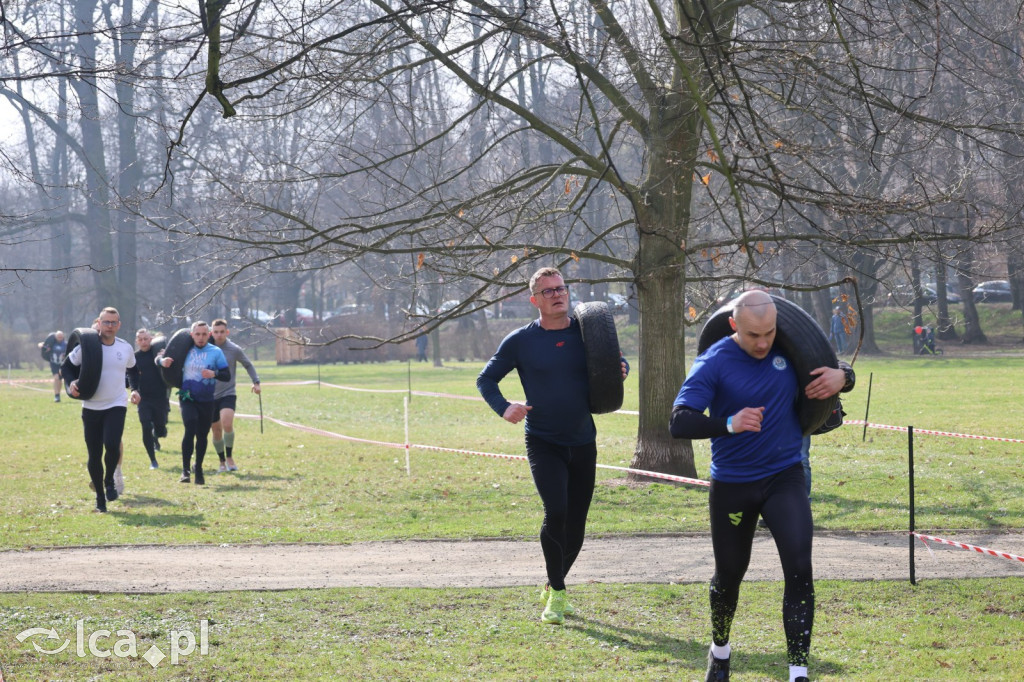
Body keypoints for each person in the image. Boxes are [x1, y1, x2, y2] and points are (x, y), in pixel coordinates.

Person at [669, 290, 852, 682]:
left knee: (800, 569)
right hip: (734, 483)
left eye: (769, 332)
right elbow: (679, 421)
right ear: (734, 325)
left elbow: (828, 370)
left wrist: (845, 376)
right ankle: (720, 651)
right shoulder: (714, 361)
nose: (764, 342)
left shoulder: (786, 347)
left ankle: (798, 671)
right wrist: (729, 423)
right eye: (754, 335)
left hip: (784, 476)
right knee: (729, 577)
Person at [477, 266, 628, 626]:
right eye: (549, 291)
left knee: (577, 523)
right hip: (543, 440)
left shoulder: (588, 333)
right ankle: (558, 593)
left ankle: (551, 583)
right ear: (535, 301)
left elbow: (613, 363)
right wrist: (505, 407)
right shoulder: (520, 340)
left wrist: (619, 367)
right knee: (556, 511)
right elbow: (486, 379)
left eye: (561, 288)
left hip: (583, 440)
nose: (558, 294)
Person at [61, 308, 140, 513]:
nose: (110, 326)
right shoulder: (88, 347)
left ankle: (109, 481)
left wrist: (135, 389)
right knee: (94, 453)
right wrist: (70, 384)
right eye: (106, 322)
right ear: (99, 323)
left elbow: (132, 370)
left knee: (112, 445)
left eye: (114, 322)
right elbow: (67, 367)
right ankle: (100, 498)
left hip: (116, 404)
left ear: (119, 325)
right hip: (91, 406)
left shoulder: (125, 347)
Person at [157, 321, 230, 485]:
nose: (201, 338)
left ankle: (199, 468)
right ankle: (185, 470)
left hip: (207, 399)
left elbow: (226, 375)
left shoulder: (216, 352)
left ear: (209, 335)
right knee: (190, 427)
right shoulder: (184, 348)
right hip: (187, 397)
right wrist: (161, 362)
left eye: (204, 334)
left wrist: (214, 373)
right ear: (192, 335)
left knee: (202, 435)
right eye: (197, 334)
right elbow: (160, 356)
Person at [209, 318, 261, 472]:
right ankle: (222, 461)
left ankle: (230, 457)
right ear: (211, 332)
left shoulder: (234, 349)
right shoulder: (206, 349)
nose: (219, 335)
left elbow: (248, 364)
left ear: (227, 332)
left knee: (227, 423)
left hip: (228, 392)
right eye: (216, 332)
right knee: (216, 430)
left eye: (222, 332)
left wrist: (256, 382)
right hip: (210, 395)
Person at [128, 329, 170, 469]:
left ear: (151, 339)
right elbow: (131, 376)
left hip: (160, 397)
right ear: (136, 341)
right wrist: (134, 390)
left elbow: (171, 368)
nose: (143, 342)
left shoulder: (158, 354)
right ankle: (153, 460)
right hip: (143, 398)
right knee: (145, 425)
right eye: (140, 339)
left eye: (146, 339)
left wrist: (164, 358)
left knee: (160, 429)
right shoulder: (134, 357)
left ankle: (158, 432)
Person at [39, 330, 67, 402]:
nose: (60, 338)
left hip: (62, 364)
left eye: (61, 337)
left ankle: (58, 394)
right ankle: (56, 395)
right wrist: (42, 347)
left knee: (60, 380)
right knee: (56, 378)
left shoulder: (65, 344)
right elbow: (42, 345)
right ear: (55, 337)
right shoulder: (52, 343)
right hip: (54, 363)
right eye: (58, 337)